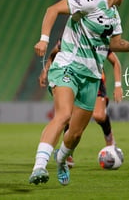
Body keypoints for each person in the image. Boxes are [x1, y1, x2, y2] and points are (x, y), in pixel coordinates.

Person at [29, 0, 129, 186]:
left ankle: (61, 160)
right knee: (63, 115)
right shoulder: (91, 1)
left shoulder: (114, 16)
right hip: (68, 65)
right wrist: (44, 38)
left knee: (76, 134)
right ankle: (39, 166)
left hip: (92, 76)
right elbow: (53, 9)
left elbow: (116, 44)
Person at [39, 39, 123, 168]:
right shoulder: (68, 38)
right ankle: (67, 153)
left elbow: (115, 62)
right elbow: (53, 53)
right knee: (68, 116)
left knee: (99, 115)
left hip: (94, 78)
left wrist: (118, 85)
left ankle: (110, 140)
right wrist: (45, 70)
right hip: (72, 77)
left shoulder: (98, 38)